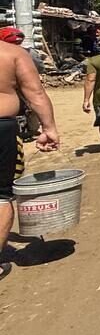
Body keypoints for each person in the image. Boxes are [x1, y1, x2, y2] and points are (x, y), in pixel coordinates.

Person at [0, 38, 60, 281]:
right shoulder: (11, 53)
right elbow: (35, 93)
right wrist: (49, 128)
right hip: (1, 128)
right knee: (1, 196)